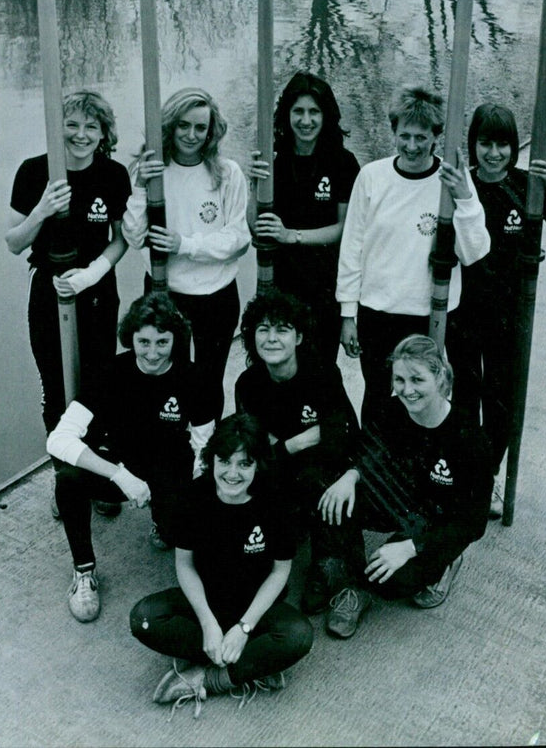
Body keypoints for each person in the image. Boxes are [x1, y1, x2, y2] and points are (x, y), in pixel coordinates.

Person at [446, 103, 546, 516]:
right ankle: (464, 480)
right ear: (474, 144)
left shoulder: (529, 188)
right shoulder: (460, 187)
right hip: (463, 315)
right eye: (485, 143)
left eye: (502, 144)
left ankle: (485, 479)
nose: (493, 153)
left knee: (502, 406)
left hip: (511, 319)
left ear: (513, 147)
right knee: (465, 402)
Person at [130, 412, 314, 716]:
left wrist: (243, 628)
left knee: (298, 635)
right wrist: (208, 624)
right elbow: (185, 565)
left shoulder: (276, 501)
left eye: (245, 463)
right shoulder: (192, 497)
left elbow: (281, 571)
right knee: (144, 618)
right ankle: (252, 664)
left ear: (259, 464)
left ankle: (210, 678)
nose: (233, 473)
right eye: (224, 461)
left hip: (255, 609)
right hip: (207, 601)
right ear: (211, 460)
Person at [46, 292, 214, 623]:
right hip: (123, 469)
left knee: (181, 534)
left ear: (175, 340)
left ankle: (165, 525)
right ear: (131, 338)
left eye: (162, 342)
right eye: (144, 341)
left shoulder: (195, 378)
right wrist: (119, 475)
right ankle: (84, 572)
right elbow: (58, 439)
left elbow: (203, 448)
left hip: (171, 471)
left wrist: (190, 500)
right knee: (67, 481)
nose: (153, 353)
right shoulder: (110, 372)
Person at [316, 335, 492, 639]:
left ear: (439, 377)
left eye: (417, 379)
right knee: (332, 498)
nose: (407, 390)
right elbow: (367, 449)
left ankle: (445, 562)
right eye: (399, 379)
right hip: (398, 502)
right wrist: (350, 476)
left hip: (436, 520)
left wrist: (412, 546)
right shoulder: (391, 408)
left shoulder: (470, 438)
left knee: (396, 582)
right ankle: (355, 588)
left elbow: (473, 523)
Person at [336, 86, 490, 418]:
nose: (412, 146)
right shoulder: (372, 177)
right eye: (404, 135)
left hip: (428, 312)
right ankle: (376, 468)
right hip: (377, 311)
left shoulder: (451, 180)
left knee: (422, 397)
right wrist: (348, 314)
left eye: (421, 137)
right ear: (393, 132)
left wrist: (464, 196)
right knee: (378, 395)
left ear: (436, 137)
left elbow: (474, 251)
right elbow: (351, 249)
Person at [122, 87, 251, 423]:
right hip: (165, 292)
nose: (191, 135)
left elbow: (238, 239)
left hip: (216, 294)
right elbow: (135, 238)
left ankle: (206, 450)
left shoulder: (227, 173)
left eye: (200, 128)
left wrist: (185, 245)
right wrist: (139, 188)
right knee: (165, 376)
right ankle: (167, 447)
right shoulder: (152, 171)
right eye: (183, 125)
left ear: (211, 131)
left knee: (209, 378)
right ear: (170, 126)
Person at [6, 90, 130, 434]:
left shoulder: (114, 175)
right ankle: (64, 468)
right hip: (48, 290)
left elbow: (121, 240)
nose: (81, 134)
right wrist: (41, 210)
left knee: (97, 381)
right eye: (71, 124)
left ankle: (95, 464)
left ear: (103, 133)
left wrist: (91, 275)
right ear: (55, 129)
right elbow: (13, 242)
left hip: (96, 289)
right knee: (55, 386)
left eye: (91, 126)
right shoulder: (33, 172)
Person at [234, 289, 359, 614]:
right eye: (263, 329)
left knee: (318, 479)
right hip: (278, 468)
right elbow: (258, 448)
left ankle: (326, 564)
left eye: (282, 329)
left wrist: (287, 443)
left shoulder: (322, 373)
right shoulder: (248, 383)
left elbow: (340, 437)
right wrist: (304, 438)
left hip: (322, 468)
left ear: (299, 336)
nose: (271, 338)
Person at [248, 72, 360, 367]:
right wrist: (253, 183)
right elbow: (254, 227)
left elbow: (345, 228)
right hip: (279, 281)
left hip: (325, 283)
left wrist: (291, 236)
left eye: (314, 112)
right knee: (277, 364)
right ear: (287, 115)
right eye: (298, 111)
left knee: (319, 367)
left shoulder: (342, 162)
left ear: (326, 116)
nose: (306, 120)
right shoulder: (274, 160)